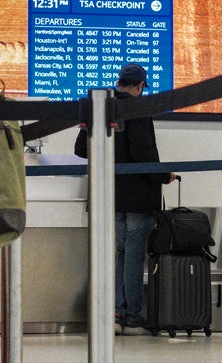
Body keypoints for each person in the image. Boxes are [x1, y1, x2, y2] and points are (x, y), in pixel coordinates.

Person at [74, 63, 176, 336]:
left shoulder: (99, 107)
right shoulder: (137, 110)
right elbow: (143, 153)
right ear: (141, 86)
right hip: (137, 197)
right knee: (132, 256)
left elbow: (81, 149)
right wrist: (164, 176)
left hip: (108, 195)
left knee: (118, 254)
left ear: (119, 82)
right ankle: (132, 317)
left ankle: (116, 313)